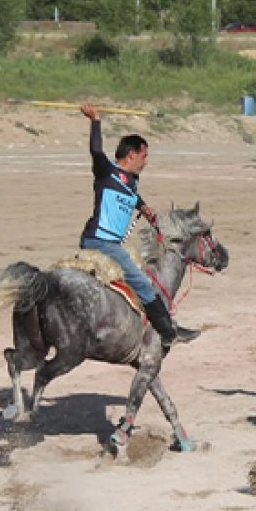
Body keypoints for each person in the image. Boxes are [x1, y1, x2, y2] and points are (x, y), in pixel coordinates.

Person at [77, 103, 200, 354]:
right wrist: (95, 120)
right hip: (101, 242)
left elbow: (130, 194)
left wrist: (143, 208)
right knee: (143, 284)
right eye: (144, 156)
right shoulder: (106, 172)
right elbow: (96, 150)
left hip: (110, 244)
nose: (146, 162)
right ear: (131, 155)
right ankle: (168, 333)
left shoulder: (131, 181)